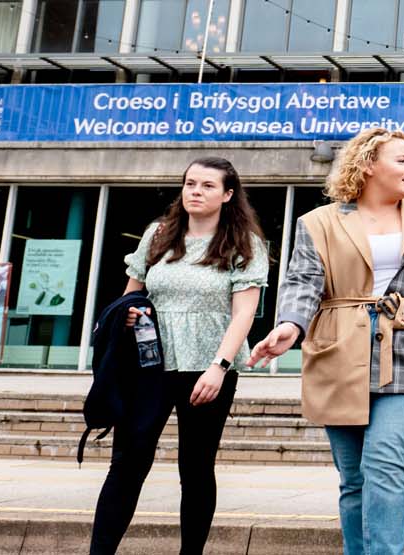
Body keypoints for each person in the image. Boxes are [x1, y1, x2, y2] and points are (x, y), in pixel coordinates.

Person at [247, 128, 404, 555]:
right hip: (341, 352)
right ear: (369, 164)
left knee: (385, 462)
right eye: (402, 160)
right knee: (353, 477)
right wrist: (290, 326)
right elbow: (303, 282)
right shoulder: (318, 222)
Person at [90, 156, 267, 555]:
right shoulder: (158, 235)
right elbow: (131, 294)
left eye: (207, 185)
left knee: (197, 468)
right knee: (127, 464)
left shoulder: (243, 243)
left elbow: (244, 313)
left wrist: (219, 368)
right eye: (190, 184)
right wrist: (129, 314)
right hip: (149, 367)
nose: (196, 192)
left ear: (227, 194)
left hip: (206, 368)